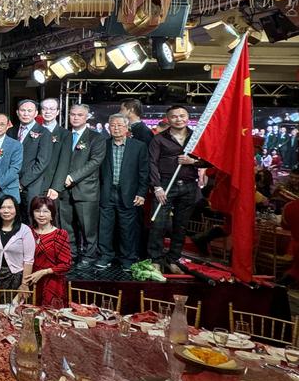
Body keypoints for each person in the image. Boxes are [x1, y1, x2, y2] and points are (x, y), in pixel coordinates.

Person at [148, 105, 209, 273]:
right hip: (165, 185)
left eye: (182, 116)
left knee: (181, 225)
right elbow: (152, 163)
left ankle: (173, 259)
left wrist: (193, 162)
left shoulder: (196, 138)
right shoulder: (159, 139)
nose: (179, 119)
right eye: (174, 116)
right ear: (168, 119)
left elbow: (209, 160)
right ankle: (155, 259)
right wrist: (157, 187)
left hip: (189, 186)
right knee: (158, 224)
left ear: (188, 117)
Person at [96, 114, 149, 276]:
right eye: (113, 125)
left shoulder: (138, 146)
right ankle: (105, 256)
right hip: (106, 192)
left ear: (127, 128)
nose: (116, 128)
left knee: (127, 228)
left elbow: (144, 172)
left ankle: (128, 258)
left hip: (129, 193)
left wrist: (141, 193)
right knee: (105, 227)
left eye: (120, 125)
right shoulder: (103, 145)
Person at [56, 104, 106, 272]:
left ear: (87, 117)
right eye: (73, 114)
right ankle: (71, 253)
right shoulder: (65, 136)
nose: (75, 117)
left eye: (80, 115)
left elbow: (95, 162)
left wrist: (73, 177)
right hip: (63, 189)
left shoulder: (96, 137)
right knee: (66, 226)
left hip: (85, 189)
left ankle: (89, 256)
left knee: (88, 227)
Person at [26, 195, 72, 308]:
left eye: (46, 211)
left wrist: (43, 272)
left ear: (52, 215)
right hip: (30, 282)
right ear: (32, 213)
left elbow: (66, 265)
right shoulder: (27, 231)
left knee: (51, 316)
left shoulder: (60, 234)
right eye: (37, 211)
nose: (41, 215)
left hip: (52, 284)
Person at [14, 100, 53, 216]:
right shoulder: (11, 131)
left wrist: (22, 183)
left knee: (31, 218)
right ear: (17, 112)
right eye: (23, 110)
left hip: (32, 185)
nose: (26, 113)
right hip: (11, 184)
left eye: (29, 111)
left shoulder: (44, 133)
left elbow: (42, 163)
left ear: (36, 113)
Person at [0, 195, 34, 291]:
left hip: (17, 278)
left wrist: (24, 284)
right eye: (2, 207)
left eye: (10, 207)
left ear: (16, 209)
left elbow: (29, 260)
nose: (6, 211)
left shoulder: (25, 230)